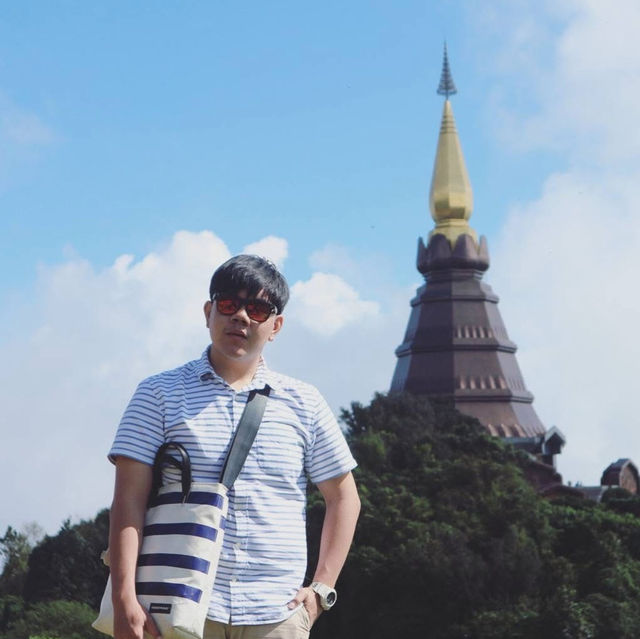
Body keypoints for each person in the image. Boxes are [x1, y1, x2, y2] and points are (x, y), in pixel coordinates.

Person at [107, 254, 361, 639]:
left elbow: (344, 497)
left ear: (276, 326)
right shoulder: (158, 394)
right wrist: (124, 596)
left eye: (257, 310)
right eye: (228, 304)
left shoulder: (305, 403)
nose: (241, 316)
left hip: (277, 613)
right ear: (208, 312)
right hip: (174, 606)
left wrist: (321, 590)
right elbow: (128, 501)